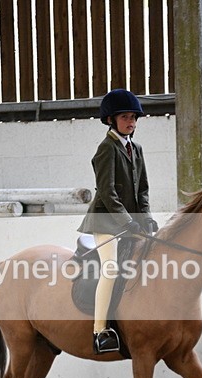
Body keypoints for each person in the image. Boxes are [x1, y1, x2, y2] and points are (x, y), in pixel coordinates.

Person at [77, 89, 159, 354]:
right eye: (125, 117)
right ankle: (100, 331)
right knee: (111, 269)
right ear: (111, 120)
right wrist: (127, 222)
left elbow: (143, 189)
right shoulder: (106, 149)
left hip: (131, 222)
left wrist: (145, 219)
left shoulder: (136, 148)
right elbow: (108, 193)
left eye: (134, 117)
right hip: (105, 221)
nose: (131, 122)